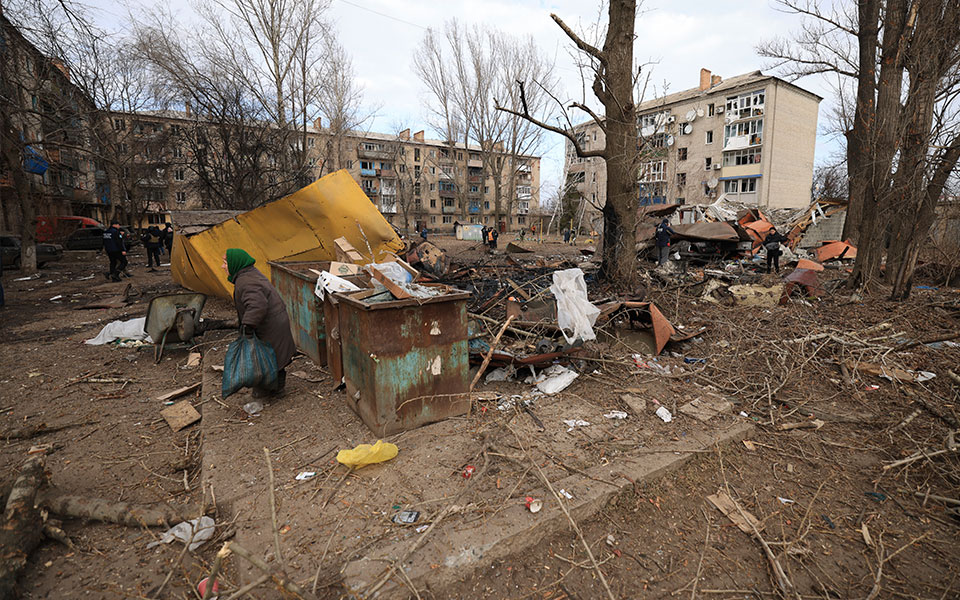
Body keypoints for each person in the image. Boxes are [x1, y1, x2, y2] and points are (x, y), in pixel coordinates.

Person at [222, 248, 296, 398]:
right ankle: (274, 389)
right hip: (272, 323)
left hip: (269, 326)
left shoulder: (246, 281)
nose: (223, 267)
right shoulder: (248, 274)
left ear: (235, 263)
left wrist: (248, 326)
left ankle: (272, 390)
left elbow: (257, 305)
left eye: (225, 263)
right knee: (272, 355)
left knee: (268, 356)